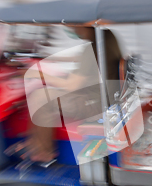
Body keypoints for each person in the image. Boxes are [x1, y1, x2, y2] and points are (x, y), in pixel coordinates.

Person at [13, 27, 122, 164]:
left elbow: (72, 85)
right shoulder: (106, 38)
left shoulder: (92, 49)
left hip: (95, 103)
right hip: (104, 97)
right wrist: (52, 58)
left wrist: (37, 74)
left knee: (40, 98)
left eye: (73, 25)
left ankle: (43, 152)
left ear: (86, 25)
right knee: (44, 94)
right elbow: (83, 60)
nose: (73, 29)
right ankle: (34, 143)